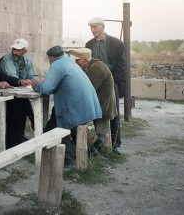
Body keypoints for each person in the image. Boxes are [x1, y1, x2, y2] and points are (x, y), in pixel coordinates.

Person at [32, 45, 102, 167]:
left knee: (63, 127)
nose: (49, 61)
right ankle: (94, 145)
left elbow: (47, 89)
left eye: (49, 59)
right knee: (53, 126)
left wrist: (36, 86)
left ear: (52, 57)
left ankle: (66, 160)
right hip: (85, 102)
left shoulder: (57, 65)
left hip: (72, 104)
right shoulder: (70, 62)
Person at [85, 16, 126, 154]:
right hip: (95, 80)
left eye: (95, 27)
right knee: (96, 109)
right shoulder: (89, 45)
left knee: (113, 112)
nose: (93, 30)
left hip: (110, 80)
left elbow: (121, 65)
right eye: (91, 27)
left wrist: (115, 81)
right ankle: (97, 142)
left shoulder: (116, 44)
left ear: (102, 27)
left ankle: (116, 143)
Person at [69, 47, 118, 156]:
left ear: (85, 60)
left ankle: (95, 147)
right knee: (77, 121)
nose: (76, 63)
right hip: (99, 104)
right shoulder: (94, 65)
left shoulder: (96, 68)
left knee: (75, 120)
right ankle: (93, 147)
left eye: (78, 61)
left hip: (102, 106)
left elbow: (86, 89)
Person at [0, 38, 40, 147]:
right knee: (20, 109)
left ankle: (20, 135)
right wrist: (23, 81)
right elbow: (12, 77)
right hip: (9, 91)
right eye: (14, 49)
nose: (15, 52)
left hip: (21, 91)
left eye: (18, 50)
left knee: (23, 107)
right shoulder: (7, 59)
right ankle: (31, 122)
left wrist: (35, 80)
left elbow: (32, 74)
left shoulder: (27, 59)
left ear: (24, 51)